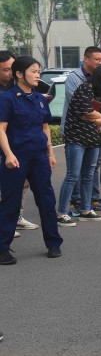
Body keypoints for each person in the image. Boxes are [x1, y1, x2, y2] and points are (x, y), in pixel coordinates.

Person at [0, 56, 64, 264]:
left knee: (46, 200)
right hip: (16, 157)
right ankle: (3, 249)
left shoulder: (40, 99)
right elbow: (1, 129)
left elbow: (45, 128)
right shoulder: (7, 98)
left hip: (39, 158)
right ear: (19, 74)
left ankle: (53, 243)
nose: (38, 75)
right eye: (33, 71)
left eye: (39, 71)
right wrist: (8, 154)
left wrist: (51, 153)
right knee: (10, 202)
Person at [56, 66, 101, 225]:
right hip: (76, 138)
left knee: (88, 175)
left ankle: (85, 209)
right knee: (73, 176)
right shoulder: (85, 89)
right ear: (100, 76)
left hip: (94, 139)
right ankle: (61, 213)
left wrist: (95, 117)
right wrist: (96, 117)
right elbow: (85, 112)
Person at [0, 51, 36, 238]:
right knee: (5, 187)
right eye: (6, 70)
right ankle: (5, 223)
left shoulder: (19, 89)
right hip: (4, 146)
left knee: (23, 184)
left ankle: (17, 217)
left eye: (13, 69)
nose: (11, 73)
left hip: (20, 146)